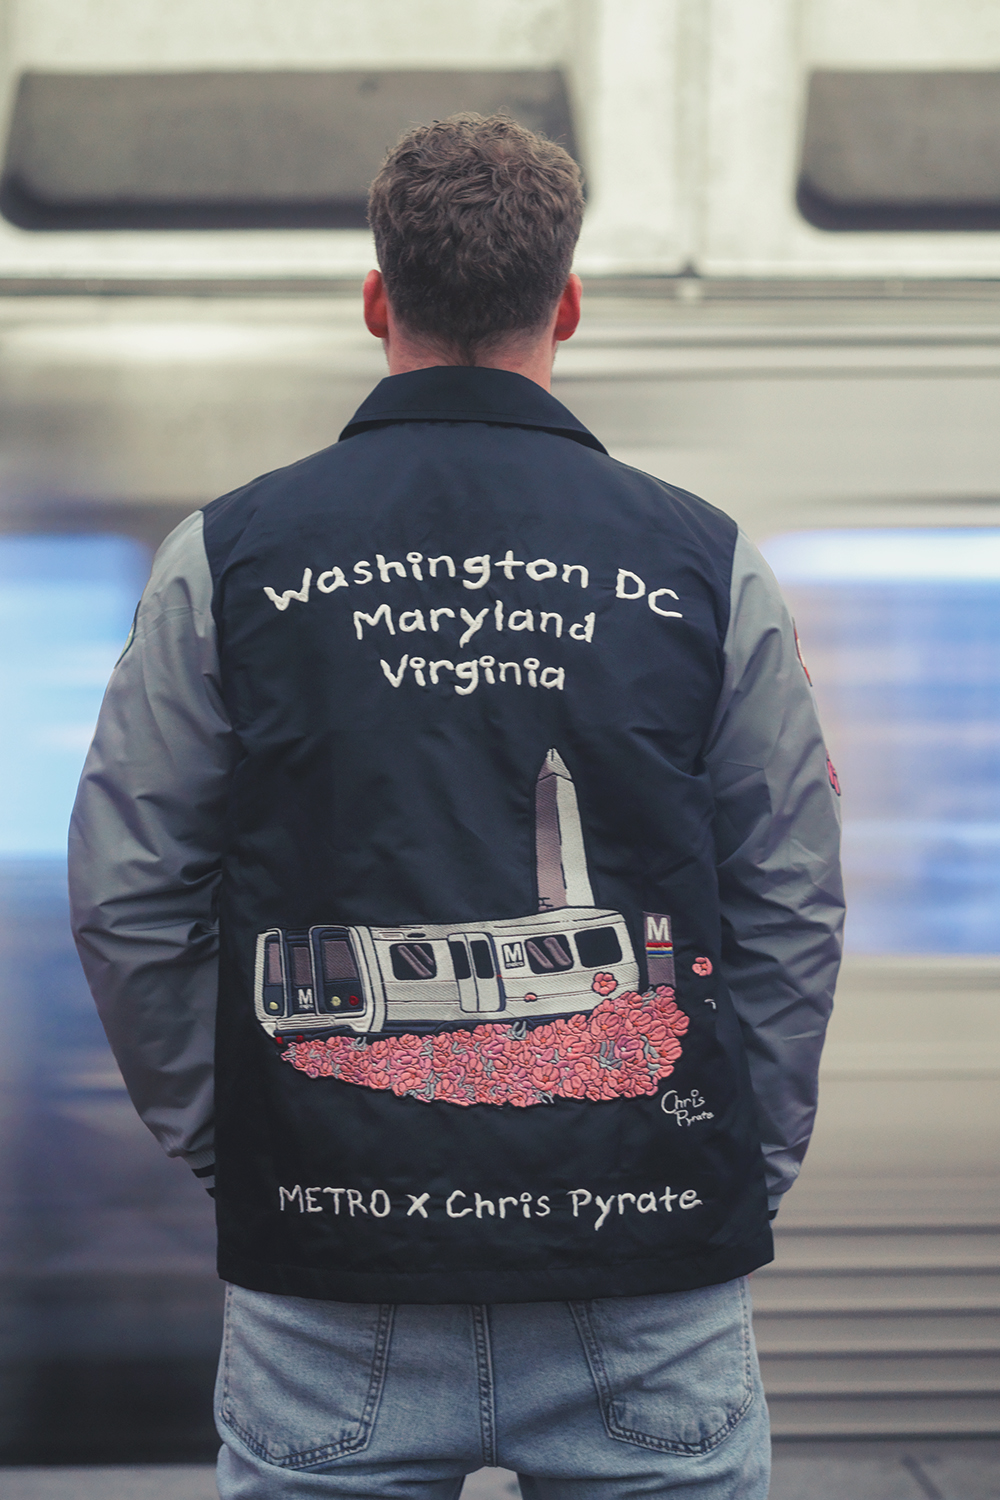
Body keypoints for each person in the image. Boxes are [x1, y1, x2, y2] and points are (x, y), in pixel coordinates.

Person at [69, 113, 844, 1499]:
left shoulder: (226, 558)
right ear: (569, 304)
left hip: (331, 1273)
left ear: (378, 301)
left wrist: (258, 1143)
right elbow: (791, 896)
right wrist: (732, 1164)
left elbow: (128, 896)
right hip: (648, 1265)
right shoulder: (706, 565)